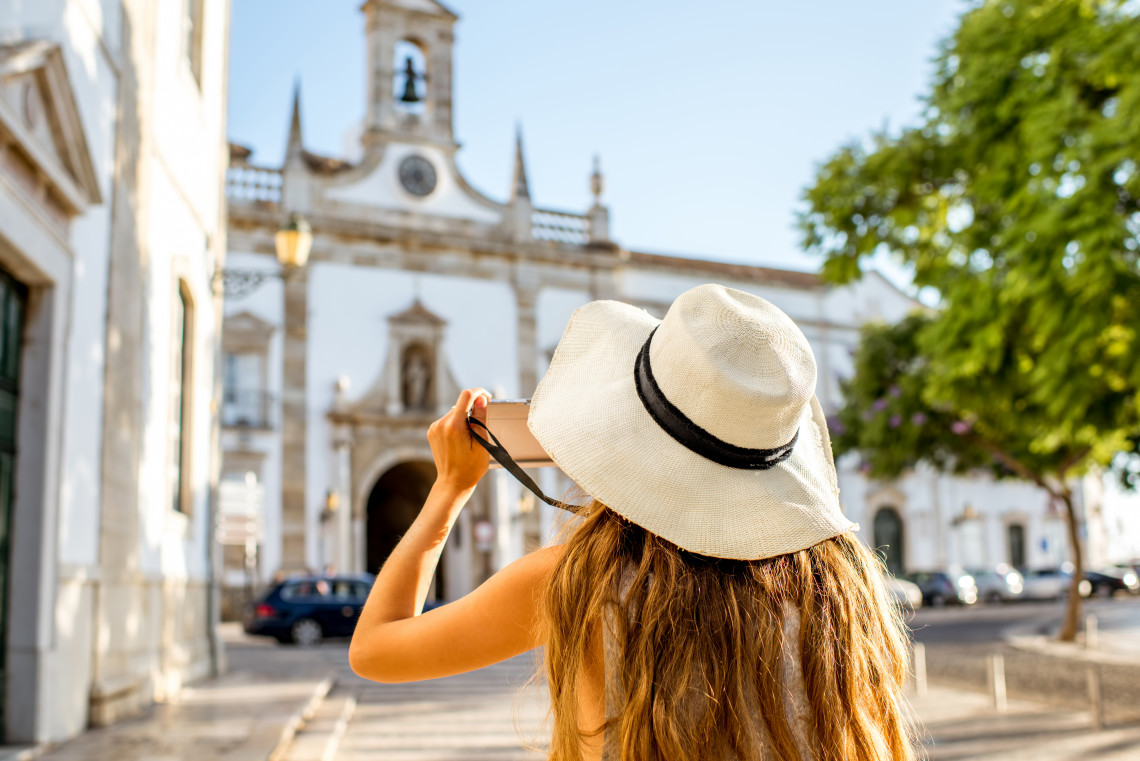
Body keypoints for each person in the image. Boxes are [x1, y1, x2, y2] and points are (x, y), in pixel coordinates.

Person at [349, 284, 916, 761]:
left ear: (619, 429)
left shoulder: (580, 583)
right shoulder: (844, 591)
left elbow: (375, 649)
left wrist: (448, 488)